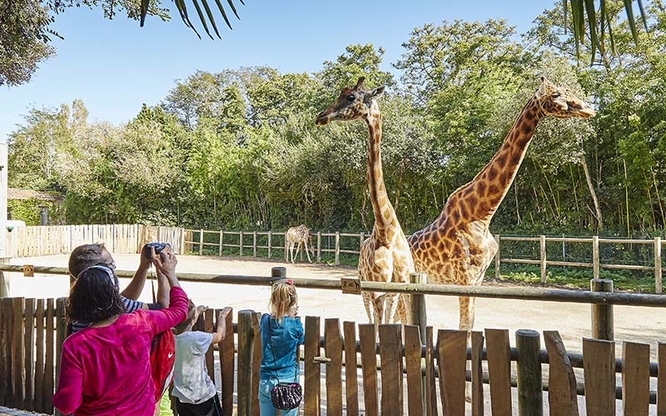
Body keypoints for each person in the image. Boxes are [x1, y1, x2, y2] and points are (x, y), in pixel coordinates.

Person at [53, 247, 188, 416]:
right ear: (115, 292)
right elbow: (179, 310)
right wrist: (169, 273)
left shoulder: (75, 346)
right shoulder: (141, 322)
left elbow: (67, 405)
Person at [172, 301, 232, 416]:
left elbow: (184, 324)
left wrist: (197, 311)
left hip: (182, 398)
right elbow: (220, 336)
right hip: (203, 396)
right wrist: (222, 316)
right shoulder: (195, 338)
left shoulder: (171, 337)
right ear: (193, 319)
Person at [258, 280, 304, 416]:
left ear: (272, 300)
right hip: (288, 380)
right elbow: (300, 339)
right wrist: (292, 316)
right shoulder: (295, 324)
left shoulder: (265, 321)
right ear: (293, 301)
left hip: (266, 380)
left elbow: (271, 317)